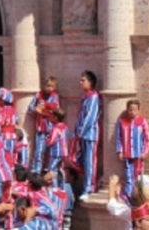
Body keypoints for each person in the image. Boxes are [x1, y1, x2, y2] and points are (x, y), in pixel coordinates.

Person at [71, 70, 102, 201]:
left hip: (90, 134)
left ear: (91, 82)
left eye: (83, 80)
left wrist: (80, 131)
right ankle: (86, 186)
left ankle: (89, 188)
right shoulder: (85, 97)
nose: (81, 82)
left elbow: (91, 117)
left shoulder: (94, 97)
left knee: (90, 162)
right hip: (83, 135)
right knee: (83, 161)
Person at [116, 99, 149, 198]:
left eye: (135, 110)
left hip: (138, 154)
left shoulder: (142, 121)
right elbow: (119, 137)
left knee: (138, 176)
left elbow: (147, 138)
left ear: (138, 110)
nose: (132, 112)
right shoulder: (122, 122)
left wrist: (145, 151)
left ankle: (138, 196)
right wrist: (120, 151)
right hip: (127, 154)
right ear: (127, 110)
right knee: (128, 176)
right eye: (130, 110)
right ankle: (128, 196)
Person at [27, 76, 60, 173]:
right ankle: (36, 172)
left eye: (52, 86)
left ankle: (49, 174)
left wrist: (44, 111)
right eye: (48, 86)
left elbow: (57, 111)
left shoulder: (55, 97)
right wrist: (36, 110)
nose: (50, 88)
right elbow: (30, 108)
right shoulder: (39, 95)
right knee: (39, 152)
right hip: (41, 128)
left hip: (52, 129)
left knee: (50, 153)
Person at [46, 108, 69, 188]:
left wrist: (47, 139)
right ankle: (62, 186)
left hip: (56, 152)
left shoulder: (56, 128)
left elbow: (52, 140)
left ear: (56, 117)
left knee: (51, 170)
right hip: (64, 152)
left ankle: (54, 187)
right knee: (60, 169)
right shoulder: (65, 127)